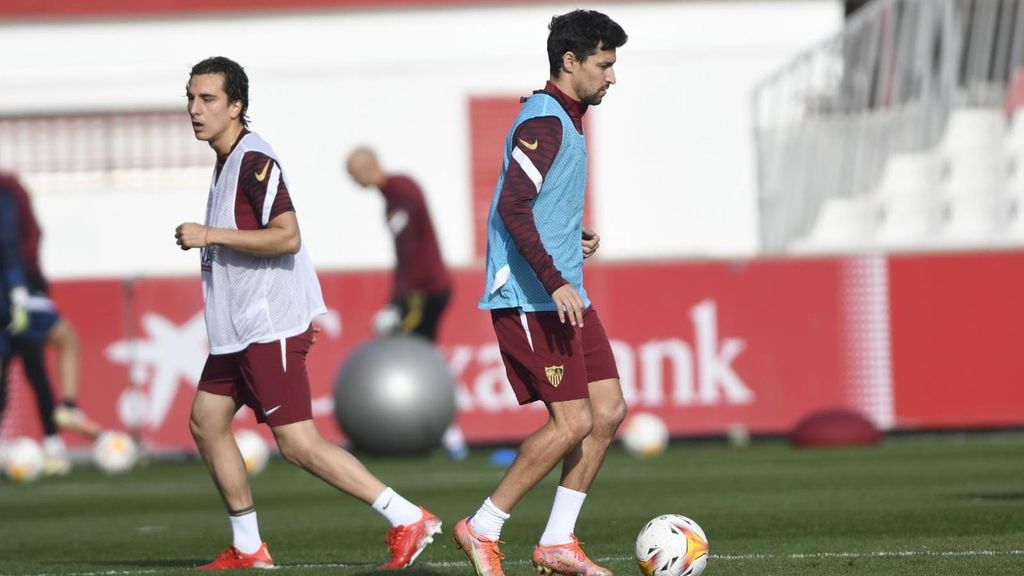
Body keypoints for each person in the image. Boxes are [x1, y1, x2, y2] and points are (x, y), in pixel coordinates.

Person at [174, 56, 441, 570]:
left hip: (268, 326)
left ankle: (407, 516)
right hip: (237, 330)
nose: (194, 109)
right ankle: (249, 547)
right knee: (207, 422)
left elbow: (287, 235)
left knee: (298, 444)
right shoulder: (225, 159)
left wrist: (208, 236)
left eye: (207, 99)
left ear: (237, 106)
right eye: (190, 97)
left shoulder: (255, 160)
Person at [453, 10, 627, 576]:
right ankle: (483, 527)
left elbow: (534, 201)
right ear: (569, 62)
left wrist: (568, 235)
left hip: (563, 290)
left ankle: (557, 541)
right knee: (571, 421)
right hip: (532, 297)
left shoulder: (569, 119)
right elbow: (510, 204)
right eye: (604, 64)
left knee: (607, 411)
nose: (612, 76)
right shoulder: (545, 120)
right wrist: (553, 278)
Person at [343, 148, 468, 459]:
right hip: (422, 288)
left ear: (367, 166)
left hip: (423, 291)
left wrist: (397, 303)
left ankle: (447, 431)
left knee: (410, 357)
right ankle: (444, 432)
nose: (351, 179)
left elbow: (410, 251)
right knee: (422, 353)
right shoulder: (392, 194)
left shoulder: (400, 191)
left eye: (353, 172)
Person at [0, 172, 102, 476]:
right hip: (15, 289)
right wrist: (18, 288)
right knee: (62, 340)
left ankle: (53, 441)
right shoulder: (7, 188)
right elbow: (8, 242)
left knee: (21, 363)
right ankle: (66, 412)